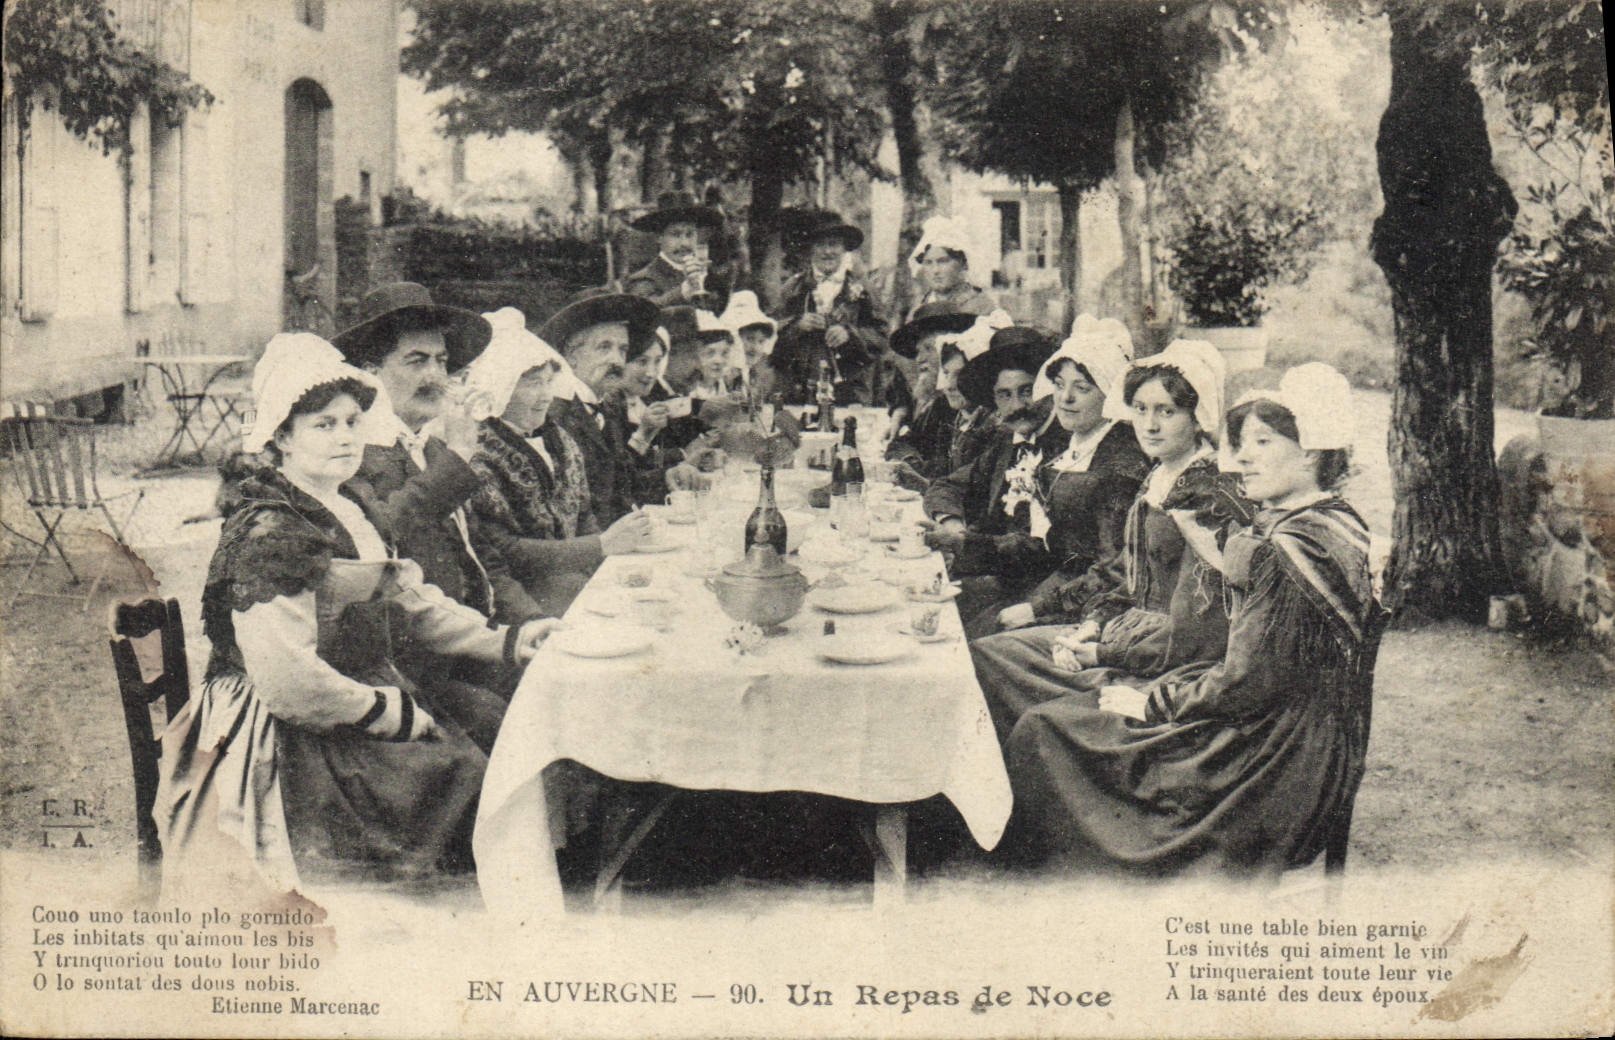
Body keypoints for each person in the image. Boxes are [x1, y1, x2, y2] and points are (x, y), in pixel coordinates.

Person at [155, 334, 554, 895]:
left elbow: (414, 604)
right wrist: (389, 712)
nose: (345, 437)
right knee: (459, 780)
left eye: (351, 422)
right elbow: (288, 682)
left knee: (487, 762)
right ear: (281, 438)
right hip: (285, 729)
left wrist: (507, 641)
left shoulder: (352, 503)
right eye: (324, 425)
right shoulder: (273, 529)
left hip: (354, 691)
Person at [982, 363, 1379, 877]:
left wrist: (1154, 701)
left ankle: (1066, 881)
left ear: (1312, 452)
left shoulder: (1286, 548)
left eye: (1263, 443)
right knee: (1062, 714)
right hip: (1304, 735)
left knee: (1044, 729)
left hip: (1271, 756)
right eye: (1241, 443)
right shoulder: (1331, 520)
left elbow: (1244, 681)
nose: (1241, 458)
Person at [970, 339, 1251, 754]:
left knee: (1025, 702)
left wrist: (1099, 652)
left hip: (1167, 664)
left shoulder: (1205, 495)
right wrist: (1090, 625)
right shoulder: (1157, 477)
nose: (1149, 425)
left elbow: (1196, 633)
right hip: (1125, 636)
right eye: (1140, 409)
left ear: (1198, 418)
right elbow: (1125, 575)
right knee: (988, 654)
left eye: (1166, 412)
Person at [333, 282, 542, 627]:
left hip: (480, 632)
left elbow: (486, 561)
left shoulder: (432, 446)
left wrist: (533, 621)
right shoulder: (352, 452)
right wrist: (459, 455)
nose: (434, 375)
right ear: (371, 375)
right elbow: (384, 535)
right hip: (422, 649)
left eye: (441, 361)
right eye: (416, 361)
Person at [461, 318, 653, 617]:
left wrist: (605, 565)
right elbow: (503, 549)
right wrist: (599, 546)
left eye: (549, 382)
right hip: (521, 594)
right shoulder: (478, 449)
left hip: (571, 577)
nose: (545, 396)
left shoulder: (558, 438)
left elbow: (583, 511)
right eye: (533, 384)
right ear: (501, 388)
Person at [991, 316, 1152, 634]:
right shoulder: (1075, 444)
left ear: (1111, 394)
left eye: (1082, 388)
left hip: (1088, 606)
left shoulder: (1119, 465)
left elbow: (1115, 571)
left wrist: (1036, 608)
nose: (1065, 399)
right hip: (1054, 582)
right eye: (1060, 385)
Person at [919, 325, 1062, 635]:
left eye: (1027, 391)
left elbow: (1044, 550)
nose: (1017, 405)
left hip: (1036, 595)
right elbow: (946, 486)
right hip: (994, 578)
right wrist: (952, 524)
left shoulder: (1064, 448)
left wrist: (964, 542)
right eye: (1004, 395)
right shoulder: (1005, 442)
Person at [540, 289, 702, 525]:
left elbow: (623, 483)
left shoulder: (606, 406)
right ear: (570, 355)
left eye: (622, 350)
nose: (616, 361)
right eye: (604, 347)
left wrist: (668, 477)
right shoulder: (555, 413)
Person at [772, 211, 888, 405]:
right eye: (821, 245)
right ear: (810, 249)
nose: (828, 252)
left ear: (844, 249)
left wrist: (850, 335)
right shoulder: (792, 288)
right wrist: (797, 326)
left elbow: (882, 337)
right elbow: (771, 338)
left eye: (833, 244)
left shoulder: (863, 289)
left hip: (852, 391)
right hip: (801, 391)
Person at [883, 303, 982, 484]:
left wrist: (917, 473)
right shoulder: (941, 404)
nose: (920, 358)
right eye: (918, 351)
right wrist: (911, 463)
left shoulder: (977, 410)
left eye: (928, 348)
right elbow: (900, 444)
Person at [623, 192, 730, 312]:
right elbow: (646, 310)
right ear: (659, 237)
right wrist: (684, 291)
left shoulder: (709, 276)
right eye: (675, 234)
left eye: (689, 234)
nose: (684, 243)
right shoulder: (643, 279)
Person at [907, 215, 996, 320]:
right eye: (928, 263)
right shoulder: (920, 307)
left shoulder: (981, 307)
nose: (935, 270)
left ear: (963, 264)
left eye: (943, 261)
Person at [720, 290, 783, 408]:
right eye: (749, 339)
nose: (755, 347)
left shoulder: (752, 374)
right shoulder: (723, 372)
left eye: (761, 341)